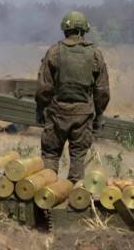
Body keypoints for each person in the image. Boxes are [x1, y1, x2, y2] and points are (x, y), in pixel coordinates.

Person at [36, 11, 110, 182]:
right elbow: (102, 90)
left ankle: (47, 190)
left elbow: (44, 87)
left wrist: (40, 109)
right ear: (84, 30)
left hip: (57, 113)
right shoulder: (95, 54)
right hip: (83, 115)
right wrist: (99, 114)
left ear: (65, 29)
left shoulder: (54, 52)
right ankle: (74, 192)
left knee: (50, 155)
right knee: (78, 157)